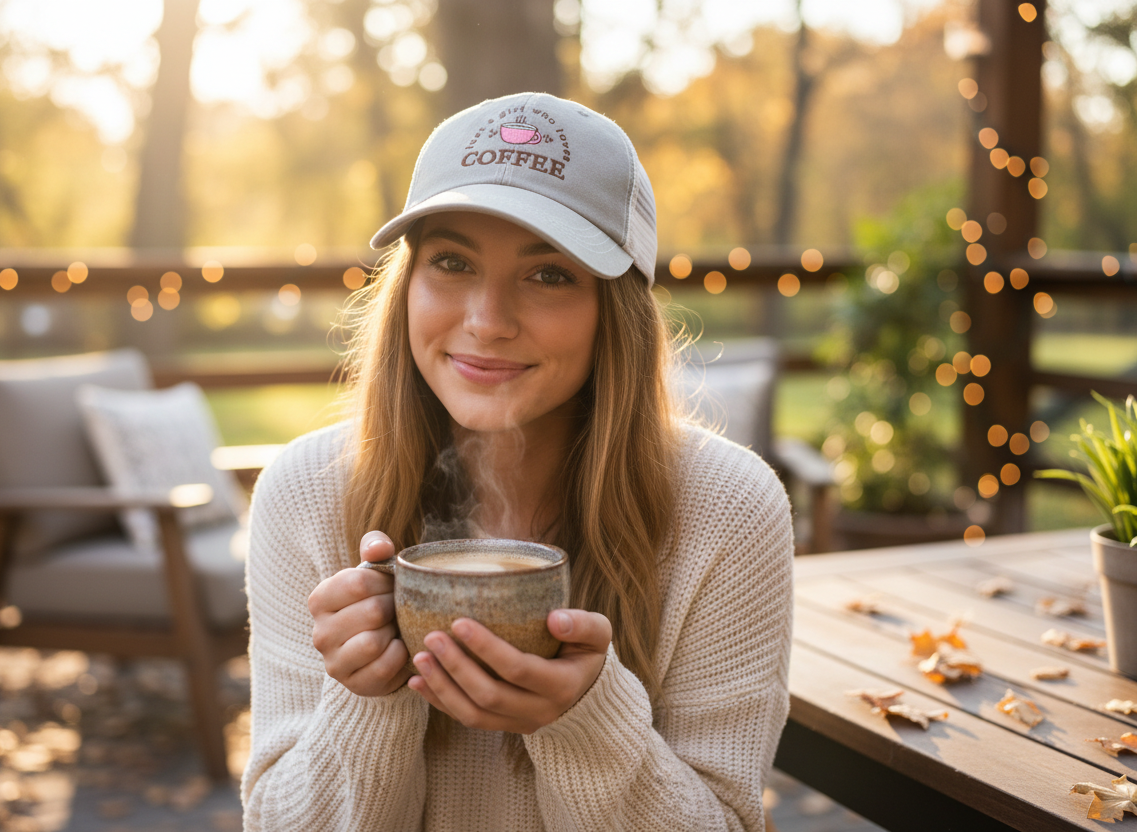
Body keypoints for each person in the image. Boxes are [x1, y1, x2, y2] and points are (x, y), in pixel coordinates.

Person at [241, 91, 794, 831]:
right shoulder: (305, 494)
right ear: (409, 285)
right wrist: (364, 697)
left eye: (549, 274)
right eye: (452, 262)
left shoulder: (727, 509)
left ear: (614, 309)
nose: (486, 322)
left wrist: (587, 721)